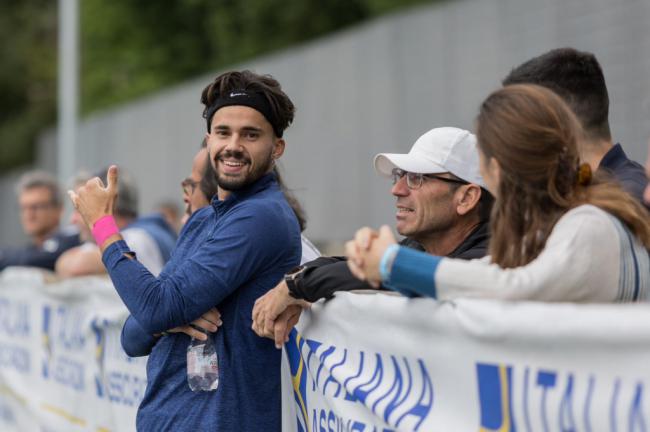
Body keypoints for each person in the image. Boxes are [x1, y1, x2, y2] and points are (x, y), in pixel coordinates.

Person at [69, 70, 301, 431]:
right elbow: (133, 336)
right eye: (223, 132)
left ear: (277, 147)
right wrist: (167, 321)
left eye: (251, 134)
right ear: (209, 141)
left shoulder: (262, 216)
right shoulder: (202, 219)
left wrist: (102, 224)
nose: (234, 145)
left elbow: (155, 306)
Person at [346, 85, 650, 302]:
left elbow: (512, 290)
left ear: (499, 168)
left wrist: (392, 263)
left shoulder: (589, 224)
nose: (397, 190)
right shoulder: (554, 229)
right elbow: (477, 277)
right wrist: (390, 266)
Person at [252, 127, 493, 346]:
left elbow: (383, 273)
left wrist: (297, 286)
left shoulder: (492, 257)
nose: (396, 189)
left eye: (417, 178)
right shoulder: (424, 246)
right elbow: (346, 266)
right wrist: (296, 286)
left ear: (466, 198)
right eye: (399, 175)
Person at [503, 47, 648, 206]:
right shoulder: (601, 194)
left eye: (521, 124)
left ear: (557, 120)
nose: (516, 142)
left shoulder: (620, 203)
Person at [56, 169, 177, 277]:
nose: (73, 220)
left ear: (105, 205)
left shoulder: (137, 238)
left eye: (81, 210)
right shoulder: (147, 232)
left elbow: (76, 266)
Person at [0, 171, 80, 272]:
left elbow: (35, 260)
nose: (28, 215)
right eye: (23, 208)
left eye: (36, 207)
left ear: (59, 209)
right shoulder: (32, 249)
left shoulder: (72, 238)